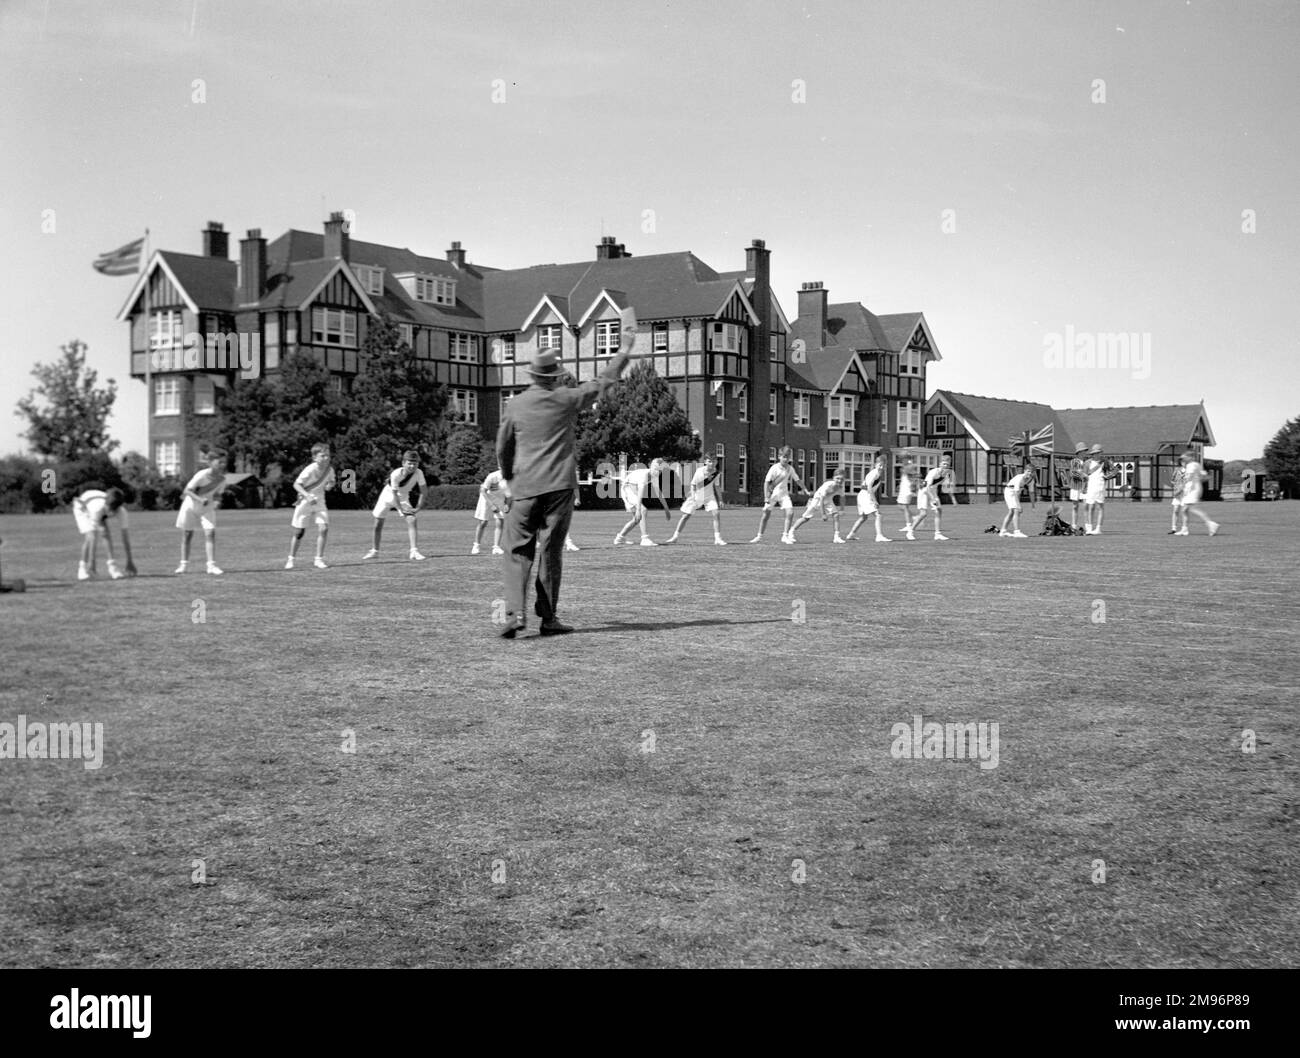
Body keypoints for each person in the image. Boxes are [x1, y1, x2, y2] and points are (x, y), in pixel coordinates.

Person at [495, 314, 637, 637]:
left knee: (517, 552)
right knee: (550, 552)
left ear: (532, 375)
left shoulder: (515, 405)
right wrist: (624, 349)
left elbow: (503, 447)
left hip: (523, 488)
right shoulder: (566, 398)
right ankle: (548, 619)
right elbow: (604, 382)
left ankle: (513, 616)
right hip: (559, 487)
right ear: (555, 375)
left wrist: (507, 479)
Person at [364, 450, 426, 561]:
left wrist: (418, 507)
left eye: (415, 463)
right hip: (387, 495)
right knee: (378, 523)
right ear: (403, 463)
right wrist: (402, 510)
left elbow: (423, 491)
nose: (412, 466)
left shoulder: (419, 473)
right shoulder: (395, 474)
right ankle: (375, 551)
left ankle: (414, 551)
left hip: (403, 497)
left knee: (412, 519)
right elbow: (394, 494)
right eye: (409, 463)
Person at [175, 448, 228, 575]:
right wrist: (200, 499)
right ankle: (183, 565)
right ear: (210, 462)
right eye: (219, 462)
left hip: (207, 508)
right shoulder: (201, 475)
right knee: (187, 535)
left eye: (224, 462)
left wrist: (217, 502)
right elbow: (187, 491)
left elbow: (218, 495)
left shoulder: (222, 479)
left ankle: (211, 566)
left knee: (210, 533)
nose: (222, 464)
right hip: (190, 506)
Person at [287, 442, 335, 570]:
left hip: (320, 502)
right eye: (323, 456)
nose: (326, 458)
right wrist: (307, 496)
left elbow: (331, 481)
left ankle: (318, 559)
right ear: (315, 458)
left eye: (328, 455)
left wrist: (329, 485)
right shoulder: (310, 469)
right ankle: (291, 559)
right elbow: (296, 485)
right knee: (299, 532)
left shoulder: (329, 470)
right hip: (304, 502)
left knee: (323, 528)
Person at [73, 487, 137, 581]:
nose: (111, 512)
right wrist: (92, 562)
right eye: (109, 508)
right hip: (82, 507)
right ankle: (82, 568)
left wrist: (130, 561)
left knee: (105, 532)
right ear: (106, 504)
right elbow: (93, 536)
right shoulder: (96, 509)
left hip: (96, 503)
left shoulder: (122, 512)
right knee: (89, 536)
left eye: (113, 510)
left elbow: (125, 537)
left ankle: (112, 567)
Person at [751, 446, 808, 544]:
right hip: (772, 495)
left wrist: (805, 490)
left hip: (784, 494)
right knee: (765, 515)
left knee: (790, 513)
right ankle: (759, 536)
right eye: (784, 457)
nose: (786, 459)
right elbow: (766, 483)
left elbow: (797, 480)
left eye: (787, 457)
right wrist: (766, 497)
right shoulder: (774, 468)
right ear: (779, 457)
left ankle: (785, 536)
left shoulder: (790, 468)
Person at [666, 454, 727, 545]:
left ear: (716, 462)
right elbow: (693, 485)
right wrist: (693, 497)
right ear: (706, 462)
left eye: (714, 461)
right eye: (710, 461)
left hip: (709, 497)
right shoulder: (700, 471)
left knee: (716, 513)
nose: (712, 463)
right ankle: (675, 537)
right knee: (686, 516)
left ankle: (717, 538)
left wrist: (721, 500)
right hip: (697, 496)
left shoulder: (716, 473)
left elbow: (717, 486)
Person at [614, 458, 670, 546]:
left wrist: (666, 509)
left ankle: (619, 538)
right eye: (656, 469)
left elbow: (658, 492)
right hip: (627, 489)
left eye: (660, 470)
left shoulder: (654, 476)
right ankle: (645, 539)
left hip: (633, 488)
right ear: (651, 467)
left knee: (637, 519)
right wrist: (638, 509)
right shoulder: (644, 475)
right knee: (642, 511)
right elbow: (639, 492)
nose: (657, 472)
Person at [789, 469, 846, 543]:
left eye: (841, 479)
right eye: (837, 478)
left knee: (836, 515)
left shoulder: (840, 487)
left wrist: (842, 509)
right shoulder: (828, 485)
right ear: (833, 478)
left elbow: (842, 498)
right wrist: (823, 514)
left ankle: (837, 537)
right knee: (805, 518)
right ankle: (791, 532)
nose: (839, 480)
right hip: (817, 500)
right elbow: (821, 499)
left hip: (828, 500)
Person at [845, 455, 890, 542]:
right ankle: (879, 536)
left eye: (883, 465)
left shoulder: (879, 474)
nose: (881, 467)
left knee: (863, 518)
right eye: (880, 465)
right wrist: (875, 500)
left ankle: (851, 534)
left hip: (863, 495)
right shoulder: (874, 473)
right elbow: (869, 488)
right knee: (878, 515)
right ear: (875, 465)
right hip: (865, 495)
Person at [1174, 452, 1220, 536]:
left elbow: (1188, 478)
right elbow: (1204, 476)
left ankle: (1211, 524)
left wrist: (1180, 490)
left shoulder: (1191, 465)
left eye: (1184, 458)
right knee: (1184, 510)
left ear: (1190, 457)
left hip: (1192, 490)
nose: (1183, 460)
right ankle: (1184, 529)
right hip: (1193, 489)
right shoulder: (1196, 464)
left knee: (1192, 508)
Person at [909, 456, 953, 540]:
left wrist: (953, 499)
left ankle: (937, 534)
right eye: (944, 464)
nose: (945, 466)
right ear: (940, 464)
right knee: (923, 514)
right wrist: (933, 499)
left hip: (932, 492)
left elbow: (947, 487)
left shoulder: (946, 475)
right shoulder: (933, 472)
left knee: (938, 510)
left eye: (947, 464)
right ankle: (910, 531)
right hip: (924, 492)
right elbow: (927, 487)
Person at [470, 467, 508, 556]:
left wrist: (507, 504)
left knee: (500, 521)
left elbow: (509, 493)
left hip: (499, 498)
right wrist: (491, 505)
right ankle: (476, 546)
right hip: (485, 498)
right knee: (483, 522)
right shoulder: (492, 476)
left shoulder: (511, 476)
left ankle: (496, 547)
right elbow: (483, 490)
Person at [1083, 443, 1118, 535]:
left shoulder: (1105, 462)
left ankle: (1098, 529)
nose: (1098, 454)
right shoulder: (1087, 463)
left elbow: (1115, 470)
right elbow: (1084, 476)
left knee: (1100, 507)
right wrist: (1084, 487)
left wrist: (1107, 477)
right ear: (1093, 454)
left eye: (1099, 452)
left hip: (1100, 486)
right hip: (1090, 486)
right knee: (1091, 506)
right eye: (1096, 453)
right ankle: (1089, 528)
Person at [1000, 463, 1037, 537]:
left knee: (1011, 512)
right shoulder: (1019, 478)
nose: (1030, 473)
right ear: (1025, 471)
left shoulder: (1031, 480)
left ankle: (1003, 531)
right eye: (1028, 471)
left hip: (1016, 492)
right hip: (1010, 491)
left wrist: (1033, 505)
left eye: (1032, 472)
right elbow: (1016, 493)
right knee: (1016, 510)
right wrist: (1019, 505)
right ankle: (1017, 532)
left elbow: (1031, 492)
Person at [896, 461, 919, 540]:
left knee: (905, 507)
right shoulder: (906, 473)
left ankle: (909, 526)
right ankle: (913, 517)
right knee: (899, 506)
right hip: (903, 491)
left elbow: (905, 471)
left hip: (906, 491)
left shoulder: (908, 472)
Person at [1068, 442, 1089, 530]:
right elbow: (1072, 473)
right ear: (1080, 452)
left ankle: (1088, 525)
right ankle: (1074, 525)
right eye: (1084, 451)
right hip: (1075, 486)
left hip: (1084, 486)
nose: (1085, 453)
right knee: (1075, 506)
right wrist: (1082, 475)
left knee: (1086, 505)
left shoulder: (1086, 462)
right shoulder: (1074, 461)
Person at [1167, 460, 1187, 535]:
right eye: (1183, 462)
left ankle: (1184, 528)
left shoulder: (1189, 471)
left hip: (1185, 494)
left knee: (1184, 511)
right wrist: (1176, 486)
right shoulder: (1176, 470)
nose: (1184, 463)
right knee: (1175, 510)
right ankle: (1173, 528)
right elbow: (1172, 480)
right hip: (1177, 493)